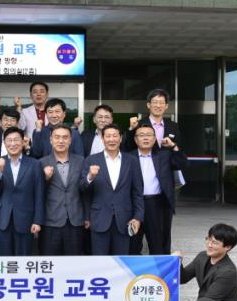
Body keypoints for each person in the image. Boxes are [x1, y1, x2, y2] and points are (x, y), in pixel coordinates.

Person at [79, 124, 143, 255]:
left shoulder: (132, 161)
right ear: (103, 139)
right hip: (99, 219)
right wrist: (90, 177)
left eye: (115, 136)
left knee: (121, 260)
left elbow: (137, 192)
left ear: (121, 138)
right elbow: (82, 189)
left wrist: (137, 217)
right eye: (108, 136)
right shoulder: (91, 160)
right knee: (100, 261)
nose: (111, 139)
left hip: (124, 220)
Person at [130, 124, 187, 255]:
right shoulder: (127, 157)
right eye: (141, 135)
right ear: (135, 140)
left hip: (157, 204)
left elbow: (182, 164)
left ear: (155, 139)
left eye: (149, 135)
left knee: (159, 245)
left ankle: (159, 268)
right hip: (134, 204)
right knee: (132, 244)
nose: (145, 138)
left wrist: (174, 146)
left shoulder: (164, 155)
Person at [0, 127, 44, 255]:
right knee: (3, 259)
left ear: (23, 142)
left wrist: (37, 220)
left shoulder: (35, 164)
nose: (13, 143)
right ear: (4, 143)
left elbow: (39, 194)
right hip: (2, 218)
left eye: (16, 140)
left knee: (23, 258)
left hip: (26, 218)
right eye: (9, 140)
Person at [39, 124, 86, 255]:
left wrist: (87, 217)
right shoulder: (41, 163)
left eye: (65, 137)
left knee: (73, 261)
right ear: (51, 140)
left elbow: (85, 192)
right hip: (50, 222)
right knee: (50, 261)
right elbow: (37, 194)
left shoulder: (81, 161)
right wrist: (45, 178)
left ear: (70, 140)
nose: (61, 141)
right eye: (57, 137)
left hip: (75, 221)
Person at [124, 88, 182, 152]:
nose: (158, 105)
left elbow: (179, 149)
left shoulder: (173, 126)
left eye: (161, 102)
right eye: (155, 102)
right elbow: (128, 147)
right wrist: (131, 129)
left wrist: (173, 145)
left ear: (166, 106)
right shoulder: (138, 124)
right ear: (148, 105)